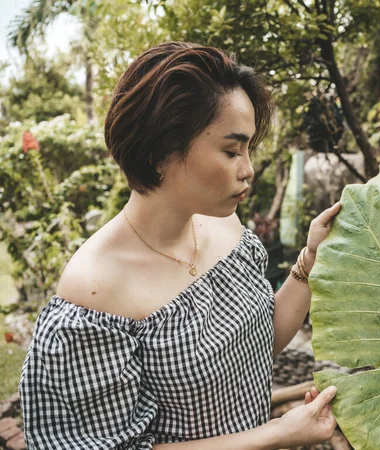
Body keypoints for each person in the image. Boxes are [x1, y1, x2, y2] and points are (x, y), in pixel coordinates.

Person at [19, 42, 342, 449]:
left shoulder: (224, 226)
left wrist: (310, 260)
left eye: (247, 150)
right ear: (161, 151)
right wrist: (279, 433)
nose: (248, 170)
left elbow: (256, 346)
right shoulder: (95, 292)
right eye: (231, 150)